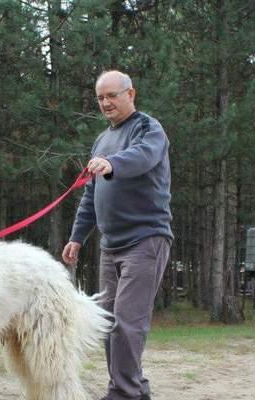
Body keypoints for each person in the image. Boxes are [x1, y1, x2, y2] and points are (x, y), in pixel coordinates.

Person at [62, 70, 173, 400]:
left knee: (128, 322)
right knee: (109, 323)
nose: (106, 103)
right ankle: (135, 389)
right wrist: (77, 236)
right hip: (110, 247)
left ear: (130, 94)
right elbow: (90, 195)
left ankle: (123, 393)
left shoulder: (148, 128)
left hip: (146, 239)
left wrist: (112, 164)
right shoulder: (101, 140)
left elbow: (144, 157)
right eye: (100, 98)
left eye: (112, 95)